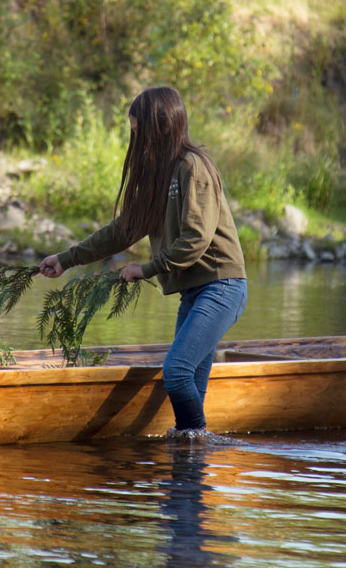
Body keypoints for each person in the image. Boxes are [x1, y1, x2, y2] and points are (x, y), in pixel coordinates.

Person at [39, 86, 248, 441]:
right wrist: (66, 259)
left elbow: (195, 240)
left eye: (138, 130)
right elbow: (123, 230)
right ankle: (192, 471)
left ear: (160, 126)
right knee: (190, 379)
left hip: (221, 287)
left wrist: (146, 268)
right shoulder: (157, 175)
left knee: (177, 372)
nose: (135, 139)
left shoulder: (192, 168)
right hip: (192, 293)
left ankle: (196, 442)